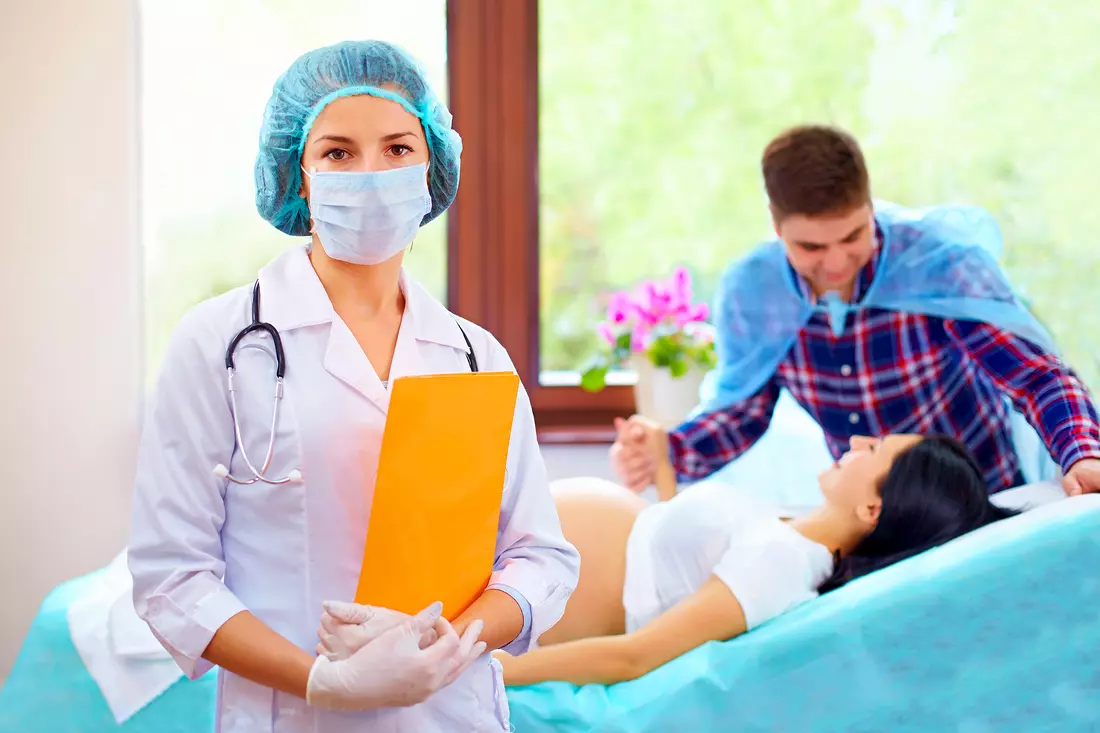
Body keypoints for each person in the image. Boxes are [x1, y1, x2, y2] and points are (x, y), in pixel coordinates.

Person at [127, 40, 579, 733]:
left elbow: (539, 556)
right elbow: (171, 577)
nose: (371, 173)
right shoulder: (219, 344)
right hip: (292, 717)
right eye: (338, 152)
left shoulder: (473, 355)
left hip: (452, 714)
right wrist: (323, 680)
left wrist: (456, 647)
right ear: (298, 174)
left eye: (398, 148)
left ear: (432, 167)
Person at [613, 125, 1100, 498]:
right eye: (811, 246)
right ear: (775, 224)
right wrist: (668, 453)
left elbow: (1034, 376)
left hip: (980, 499)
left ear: (870, 206)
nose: (837, 262)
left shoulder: (939, 264)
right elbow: (743, 413)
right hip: (868, 519)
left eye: (853, 236)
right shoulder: (756, 295)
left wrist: (1083, 454)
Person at [490, 434, 1017, 686]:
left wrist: (490, 677)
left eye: (873, 450)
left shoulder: (784, 562)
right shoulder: (791, 534)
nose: (856, 441)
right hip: (519, 556)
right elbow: (675, 563)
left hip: (525, 589)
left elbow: (637, 654)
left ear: (872, 507)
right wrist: (663, 464)